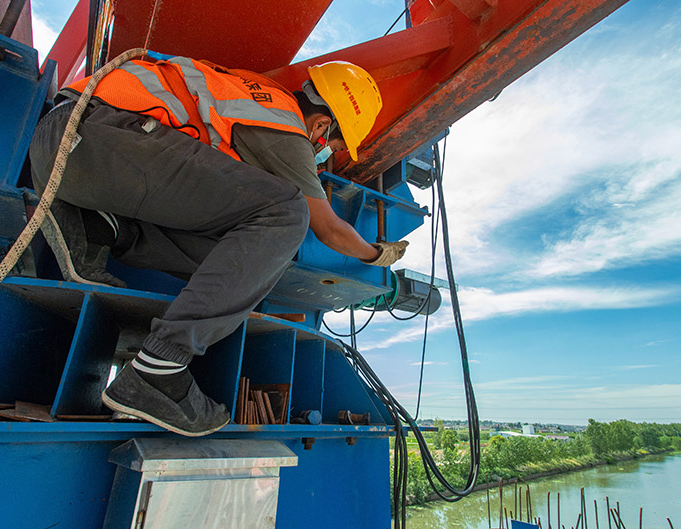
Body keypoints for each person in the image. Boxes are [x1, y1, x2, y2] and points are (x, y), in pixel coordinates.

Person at [28, 55, 408, 437]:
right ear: (322, 125)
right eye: (333, 147)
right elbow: (327, 228)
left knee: (246, 260)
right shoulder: (284, 126)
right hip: (92, 134)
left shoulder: (259, 99)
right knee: (287, 213)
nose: (325, 157)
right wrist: (377, 254)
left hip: (74, 152)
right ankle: (160, 367)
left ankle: (102, 228)